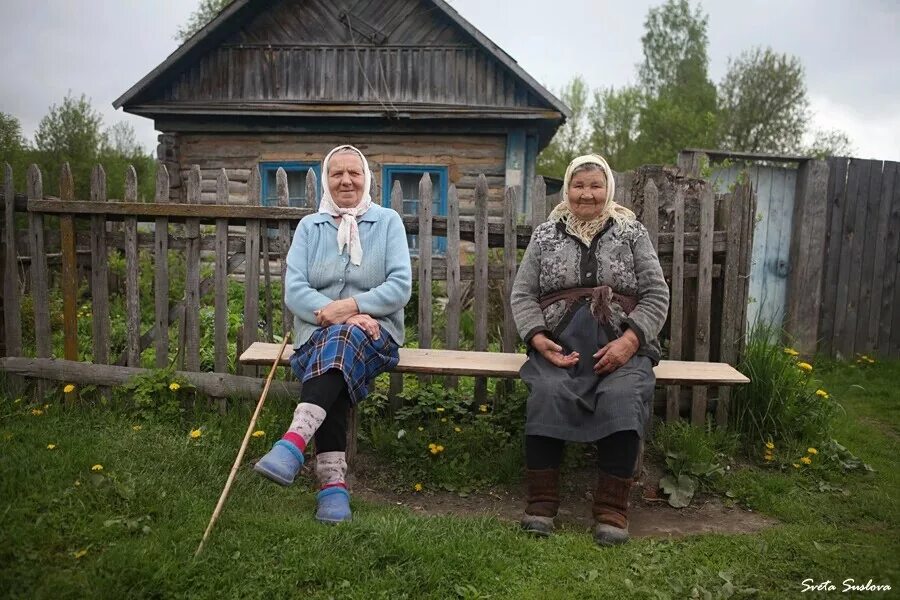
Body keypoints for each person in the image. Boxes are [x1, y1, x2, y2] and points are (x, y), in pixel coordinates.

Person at [510, 153, 669, 545]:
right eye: (578, 185)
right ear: (567, 189)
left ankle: (612, 509)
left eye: (595, 185)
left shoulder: (632, 232)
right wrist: (537, 338)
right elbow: (523, 294)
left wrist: (630, 342)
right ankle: (542, 503)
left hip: (621, 345)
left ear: (608, 189)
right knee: (547, 392)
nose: (587, 194)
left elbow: (656, 293)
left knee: (622, 395)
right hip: (561, 345)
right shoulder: (545, 235)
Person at [254, 144, 412, 524]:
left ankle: (295, 446)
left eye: (354, 173)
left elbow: (400, 286)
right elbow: (295, 291)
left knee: (339, 348)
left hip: (378, 337)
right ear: (326, 180)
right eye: (337, 173)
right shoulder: (311, 227)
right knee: (337, 356)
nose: (346, 180)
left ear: (367, 178)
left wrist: (351, 307)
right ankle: (331, 486)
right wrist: (343, 318)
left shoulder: (388, 221)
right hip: (317, 337)